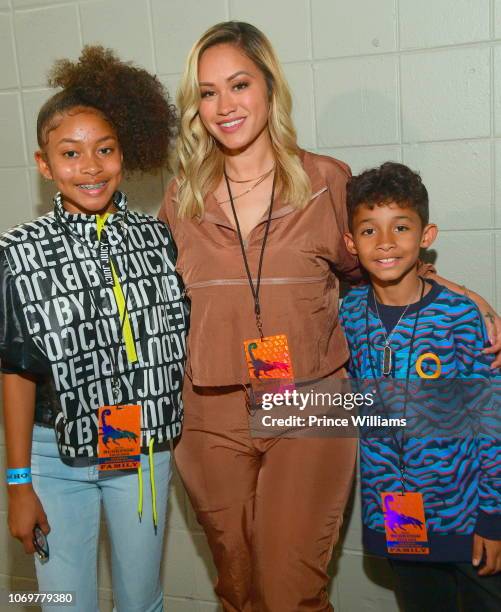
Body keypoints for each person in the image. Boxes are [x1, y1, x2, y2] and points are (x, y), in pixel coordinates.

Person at [160, 21, 501, 611]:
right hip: (210, 411)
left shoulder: (324, 181)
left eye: (239, 84)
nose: (225, 105)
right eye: (208, 92)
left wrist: (457, 293)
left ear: (269, 86)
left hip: (313, 401)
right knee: (239, 591)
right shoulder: (180, 197)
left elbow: (380, 258)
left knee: (291, 589)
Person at [0, 46, 187, 612]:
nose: (90, 166)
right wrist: (18, 484)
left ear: (123, 153)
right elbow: (16, 370)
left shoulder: (156, 238)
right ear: (44, 163)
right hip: (52, 456)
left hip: (138, 445)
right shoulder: (17, 252)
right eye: (71, 152)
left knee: (141, 601)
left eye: (104, 150)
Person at [339, 162, 501, 611]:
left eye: (401, 227)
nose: (386, 242)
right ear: (351, 244)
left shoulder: (459, 317)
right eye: (369, 231)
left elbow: (490, 422)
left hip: (469, 518)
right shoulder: (347, 315)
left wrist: (494, 517)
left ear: (426, 236)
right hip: (397, 513)